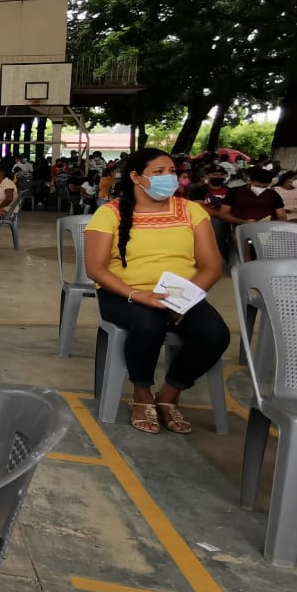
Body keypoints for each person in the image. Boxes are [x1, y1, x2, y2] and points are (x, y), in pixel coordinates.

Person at [83, 148, 229, 434]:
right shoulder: (109, 213)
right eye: (159, 172)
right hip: (123, 293)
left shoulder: (191, 211)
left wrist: (183, 299)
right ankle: (141, 393)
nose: (169, 177)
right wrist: (138, 295)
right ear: (137, 178)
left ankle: (169, 394)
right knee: (148, 325)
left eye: (172, 171)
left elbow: (212, 266)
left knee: (215, 335)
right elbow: (96, 269)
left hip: (180, 293)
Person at [219, 166, 288, 228]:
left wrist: (273, 225)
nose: (261, 189)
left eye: (264, 186)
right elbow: (223, 214)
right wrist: (243, 221)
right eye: (257, 186)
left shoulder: (273, 194)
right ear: (249, 180)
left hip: (267, 228)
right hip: (242, 227)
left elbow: (282, 216)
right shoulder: (234, 192)